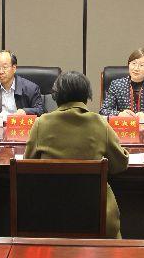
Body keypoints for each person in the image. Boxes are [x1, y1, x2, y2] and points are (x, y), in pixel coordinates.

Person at [24, 71, 129, 238]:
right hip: (96, 216)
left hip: (49, 215)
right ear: (86, 95)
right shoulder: (99, 123)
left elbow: (28, 166)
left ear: (56, 96)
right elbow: (120, 165)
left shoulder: (41, 123)